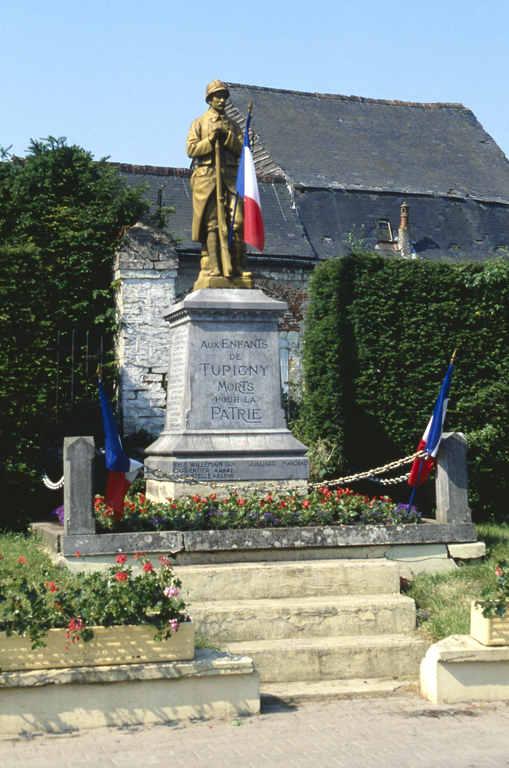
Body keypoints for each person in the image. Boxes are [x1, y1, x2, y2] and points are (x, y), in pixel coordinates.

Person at [186, 79, 248, 280]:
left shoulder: (234, 126)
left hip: (230, 181)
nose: (221, 100)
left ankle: (236, 265)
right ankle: (214, 266)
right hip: (207, 180)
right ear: (209, 99)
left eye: (224, 96)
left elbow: (242, 151)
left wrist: (227, 136)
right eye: (217, 96)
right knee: (212, 224)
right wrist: (211, 140)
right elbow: (191, 149)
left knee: (237, 223)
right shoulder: (199, 123)